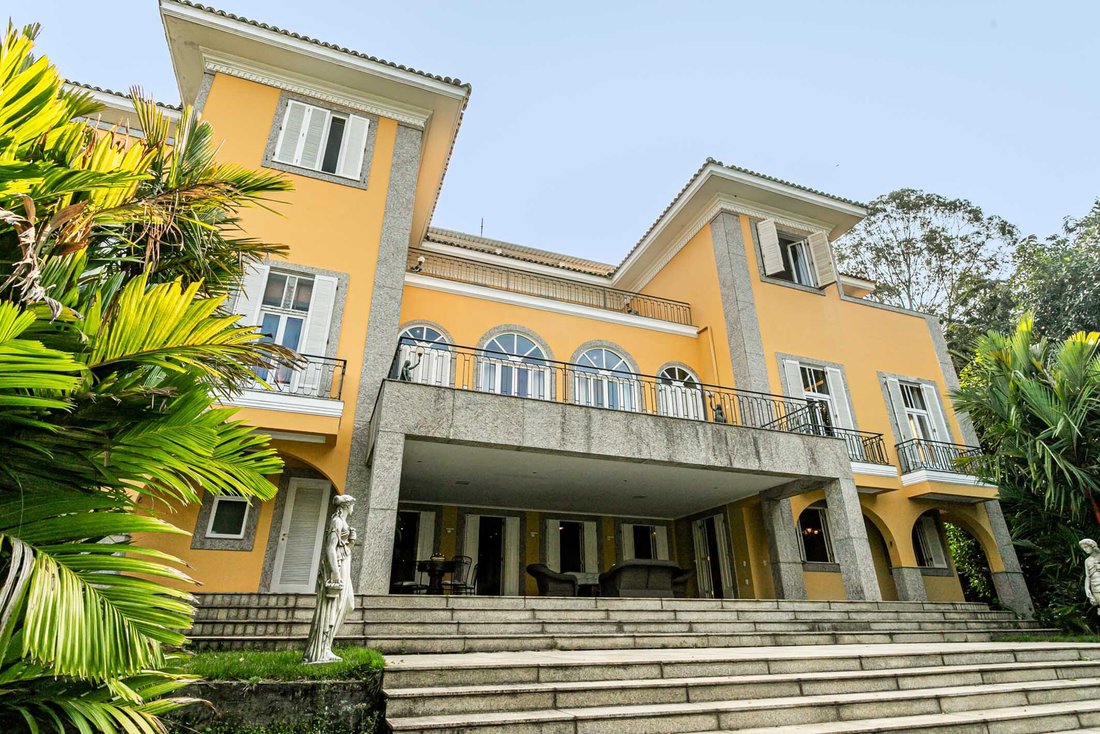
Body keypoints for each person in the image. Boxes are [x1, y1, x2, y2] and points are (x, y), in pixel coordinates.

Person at [303, 494, 357, 663]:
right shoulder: (337, 522)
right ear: (347, 506)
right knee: (332, 606)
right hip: (337, 567)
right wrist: (334, 571)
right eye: (352, 504)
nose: (353, 507)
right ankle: (321, 650)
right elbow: (330, 547)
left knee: (347, 604)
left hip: (344, 562)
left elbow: (345, 547)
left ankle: (327, 645)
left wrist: (351, 541)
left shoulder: (343, 523)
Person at [1080, 539, 1100, 608]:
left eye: (1086, 547)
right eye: (1083, 548)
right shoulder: (1087, 561)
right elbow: (1087, 576)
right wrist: (1087, 588)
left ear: (1092, 545)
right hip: (1095, 587)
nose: (1085, 550)